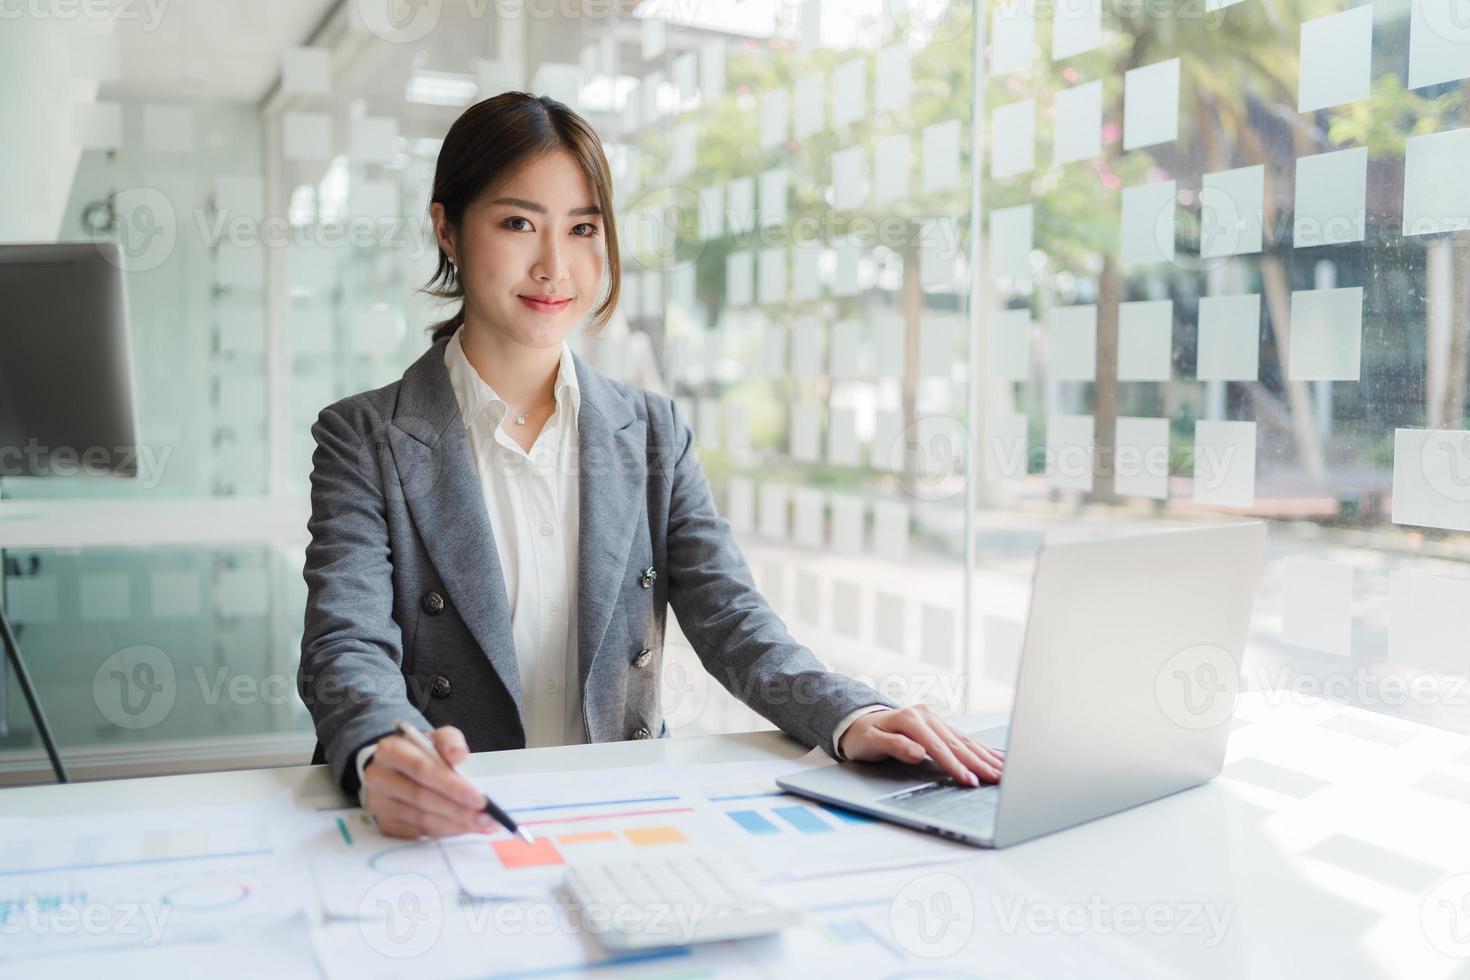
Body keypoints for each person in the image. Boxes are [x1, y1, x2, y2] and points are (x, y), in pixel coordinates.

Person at [297, 92, 1003, 840]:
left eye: (583, 229)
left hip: (619, 817)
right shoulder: (364, 436)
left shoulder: (654, 432)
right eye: (517, 224)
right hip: (453, 818)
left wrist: (849, 712)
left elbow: (731, 619)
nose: (554, 266)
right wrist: (383, 753)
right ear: (447, 229)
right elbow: (345, 644)